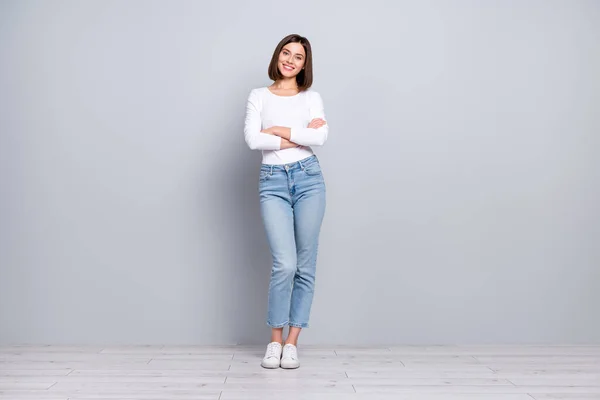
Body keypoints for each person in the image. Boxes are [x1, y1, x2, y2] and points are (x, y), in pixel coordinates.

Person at [243, 34, 329, 369]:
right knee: (285, 264)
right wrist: (298, 132)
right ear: (277, 56)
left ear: (305, 64)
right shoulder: (258, 96)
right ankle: (274, 341)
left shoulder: (312, 97)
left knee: (305, 265)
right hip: (273, 182)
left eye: (298, 57)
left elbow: (320, 137)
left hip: (309, 180)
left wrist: (278, 130)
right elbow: (252, 140)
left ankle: (292, 342)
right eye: (286, 53)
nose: (290, 60)